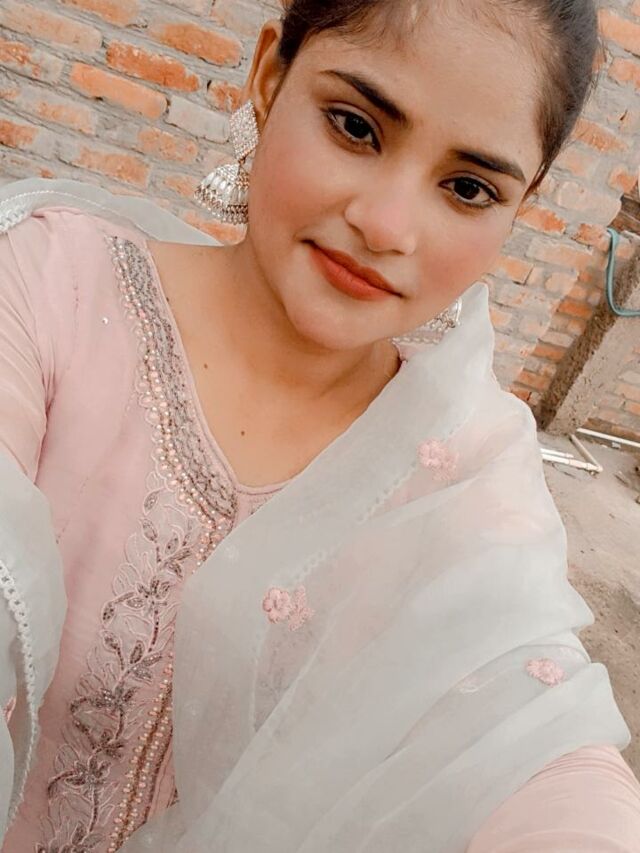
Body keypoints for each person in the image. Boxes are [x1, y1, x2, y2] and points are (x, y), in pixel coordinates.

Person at [0, 0, 639, 850]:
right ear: (270, 77)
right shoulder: (51, 293)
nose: (387, 225)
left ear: (518, 206)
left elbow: (538, 736)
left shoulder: (466, 472)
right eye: (355, 126)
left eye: (468, 188)